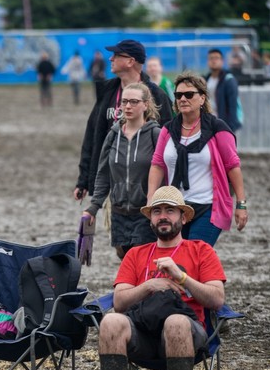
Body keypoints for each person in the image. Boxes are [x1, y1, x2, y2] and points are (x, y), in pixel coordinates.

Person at [97, 186, 226, 370]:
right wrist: (150, 286)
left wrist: (182, 277)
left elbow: (217, 299)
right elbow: (119, 302)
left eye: (170, 210)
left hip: (186, 334)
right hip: (142, 335)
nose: (163, 216)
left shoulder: (201, 251)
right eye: (156, 211)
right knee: (111, 321)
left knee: (174, 322)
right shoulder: (136, 254)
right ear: (150, 219)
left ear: (184, 217)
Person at [147, 72, 248, 246]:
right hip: (176, 207)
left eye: (189, 94)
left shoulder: (218, 129)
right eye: (178, 95)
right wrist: (151, 199)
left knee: (194, 254)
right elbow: (157, 165)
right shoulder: (168, 130)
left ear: (202, 98)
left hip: (208, 208)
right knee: (177, 258)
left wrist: (241, 204)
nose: (183, 99)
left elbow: (233, 166)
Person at [74, 40, 173, 201]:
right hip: (113, 184)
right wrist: (84, 180)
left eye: (116, 55)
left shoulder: (156, 95)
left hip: (146, 185)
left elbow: (170, 141)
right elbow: (92, 136)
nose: (110, 59)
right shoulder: (107, 93)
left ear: (130, 61)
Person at [83, 82, 161, 259]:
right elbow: (103, 173)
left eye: (134, 101)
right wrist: (94, 206)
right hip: (118, 213)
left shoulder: (155, 134)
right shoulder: (113, 134)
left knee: (140, 258)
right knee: (124, 257)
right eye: (124, 101)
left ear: (145, 104)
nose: (127, 106)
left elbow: (167, 172)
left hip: (145, 212)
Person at [204, 48, 241, 132]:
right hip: (208, 123)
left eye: (216, 58)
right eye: (211, 58)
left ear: (222, 61)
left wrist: (230, 128)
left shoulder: (228, 80)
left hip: (223, 124)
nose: (214, 61)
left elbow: (233, 105)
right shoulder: (206, 80)